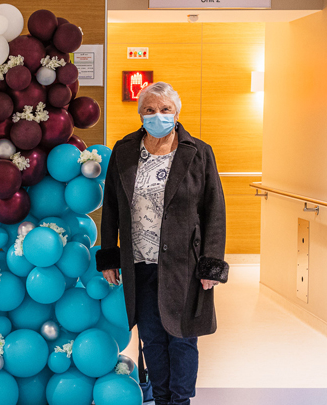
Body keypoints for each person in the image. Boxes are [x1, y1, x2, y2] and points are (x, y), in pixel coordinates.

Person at [96, 82, 228, 405]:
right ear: (140, 114)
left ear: (176, 112)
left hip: (185, 266)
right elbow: (111, 205)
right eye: (150, 110)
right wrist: (110, 256)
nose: (158, 116)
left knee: (182, 339)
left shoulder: (198, 152)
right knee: (152, 340)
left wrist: (211, 263)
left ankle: (179, 401)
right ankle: (162, 398)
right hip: (140, 264)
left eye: (165, 109)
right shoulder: (125, 151)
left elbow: (214, 210)